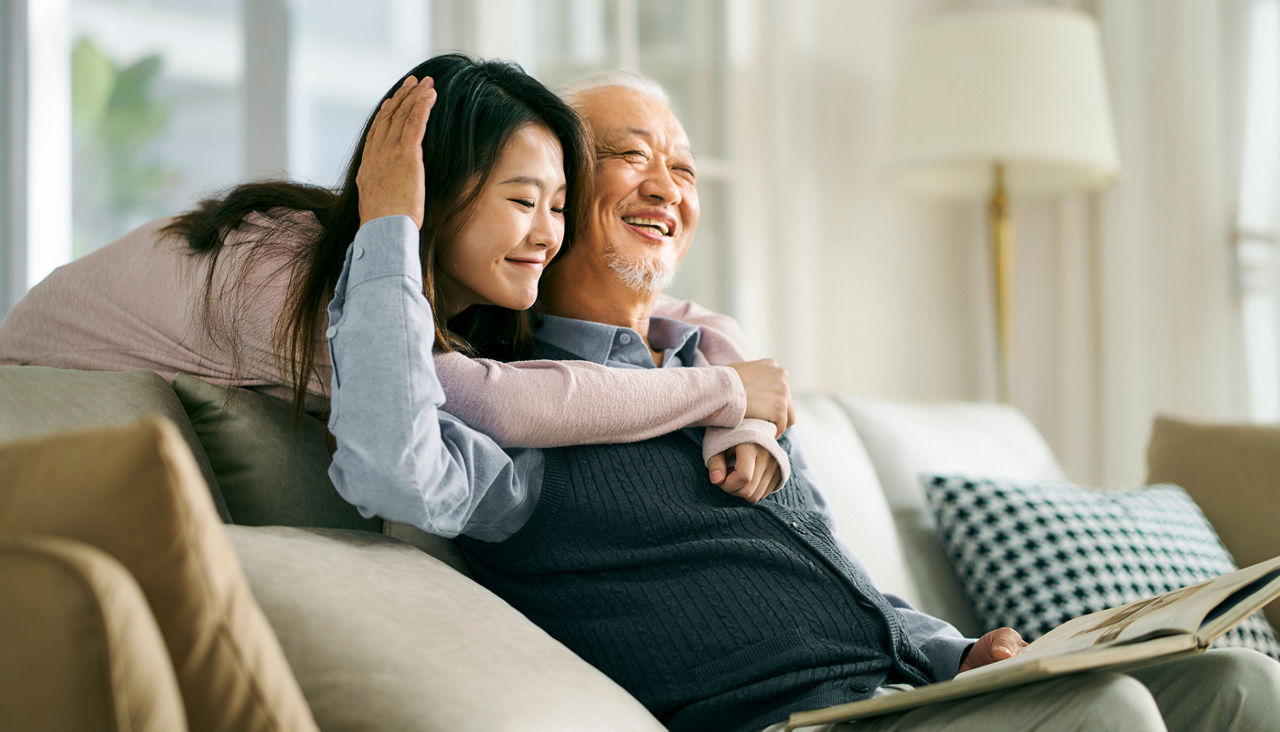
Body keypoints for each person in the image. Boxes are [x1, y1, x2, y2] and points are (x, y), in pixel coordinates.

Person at [327, 69, 1280, 732]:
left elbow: (838, 580)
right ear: (556, 199)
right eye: (629, 157)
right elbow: (387, 462)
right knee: (1103, 716)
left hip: (902, 696)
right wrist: (390, 228)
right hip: (787, 722)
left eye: (685, 166)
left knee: (1239, 683)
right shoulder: (509, 417)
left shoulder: (728, 380)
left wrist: (957, 654)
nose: (669, 186)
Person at [0, 54, 796, 500]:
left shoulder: (467, 285)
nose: (548, 235)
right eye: (524, 200)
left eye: (560, 204)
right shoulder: (286, 273)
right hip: (38, 440)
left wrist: (741, 387)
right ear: (434, 195)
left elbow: (672, 312)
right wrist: (725, 394)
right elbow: (443, 435)